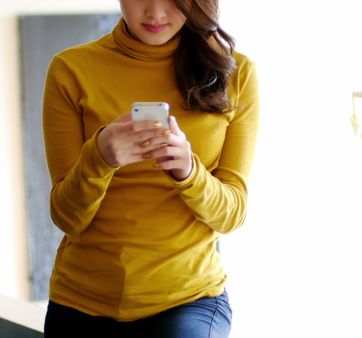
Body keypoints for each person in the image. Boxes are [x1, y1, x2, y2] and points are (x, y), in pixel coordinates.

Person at [41, 0, 259, 336]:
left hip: (188, 299)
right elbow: (67, 217)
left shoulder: (236, 74)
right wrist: (99, 158)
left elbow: (232, 213)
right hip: (81, 302)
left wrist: (189, 173)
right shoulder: (70, 69)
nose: (155, 13)